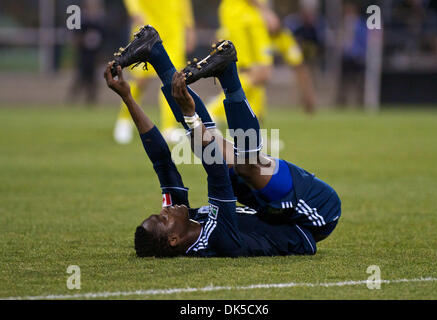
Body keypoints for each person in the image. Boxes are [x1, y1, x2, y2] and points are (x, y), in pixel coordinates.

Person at [107, 25, 341, 257]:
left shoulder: (186, 218)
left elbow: (162, 162)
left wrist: (127, 98)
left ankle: (155, 51)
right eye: (164, 218)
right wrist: (190, 116)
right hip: (317, 215)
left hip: (275, 209)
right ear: (173, 239)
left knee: (214, 151)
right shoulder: (219, 240)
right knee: (244, 167)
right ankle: (229, 75)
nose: (165, 210)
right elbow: (216, 171)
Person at [113, 0, 196, 144]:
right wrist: (135, 11)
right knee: (140, 81)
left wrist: (189, 27)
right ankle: (124, 119)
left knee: (173, 80)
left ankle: (168, 128)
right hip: (148, 29)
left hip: (174, 32)